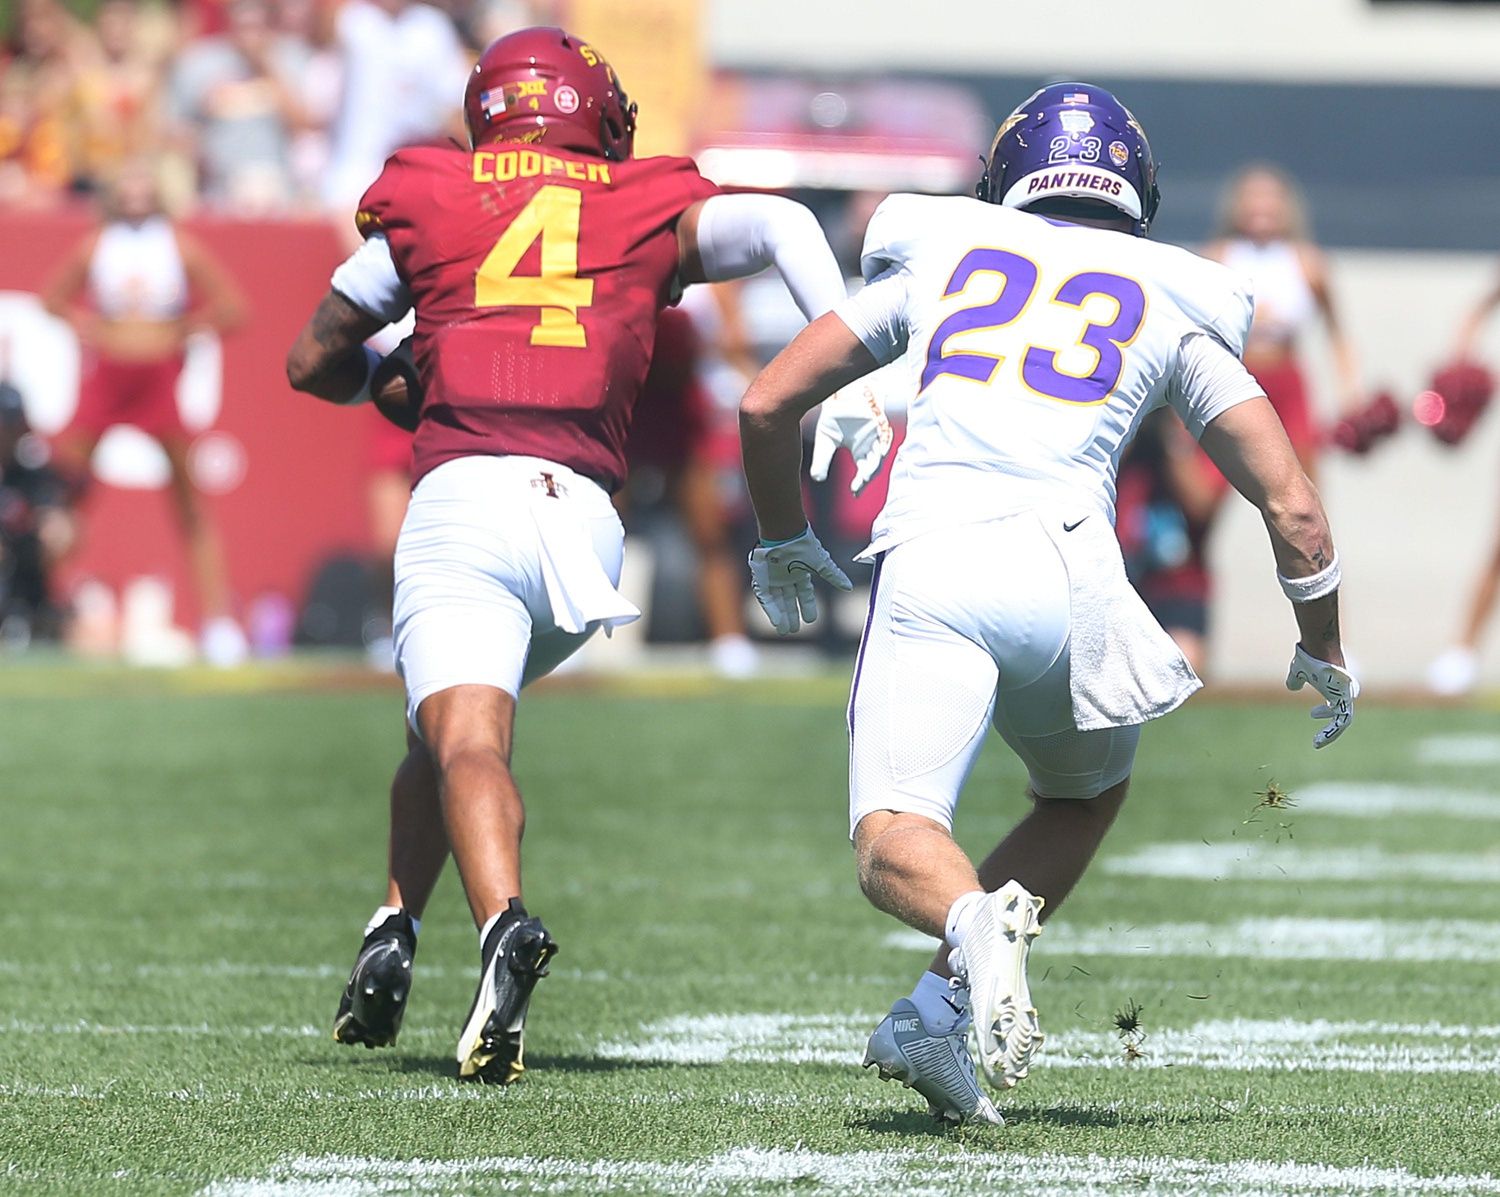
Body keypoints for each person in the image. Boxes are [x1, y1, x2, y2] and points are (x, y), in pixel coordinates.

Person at [736, 83, 1358, 1126]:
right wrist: (1325, 647)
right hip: (1073, 581)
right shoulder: (1172, 293)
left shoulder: (942, 250)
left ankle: (971, 932)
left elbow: (766, 402)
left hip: (941, 557)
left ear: (1007, 176)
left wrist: (782, 533)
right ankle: (939, 1008)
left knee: (894, 838)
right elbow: (1296, 507)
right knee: (1080, 797)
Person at [284, 26, 889, 1085]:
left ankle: (501, 927)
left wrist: (403, 376)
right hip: (581, 526)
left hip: (467, 495)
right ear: (589, 111)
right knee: (443, 733)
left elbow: (313, 359)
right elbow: (787, 222)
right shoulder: (633, 199)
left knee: (467, 736)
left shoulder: (430, 193)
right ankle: (392, 926)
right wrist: (846, 370)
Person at [42, 156, 249, 664]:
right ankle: (36, 602)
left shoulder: (176, 244)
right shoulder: (98, 244)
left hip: (158, 377)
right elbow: (53, 299)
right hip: (107, 377)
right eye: (126, 183)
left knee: (189, 499)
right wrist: (88, 326)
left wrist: (183, 330)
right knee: (64, 492)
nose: (135, 193)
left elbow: (232, 307)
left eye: (142, 182)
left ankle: (218, 623)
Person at [1206, 164, 1360, 480]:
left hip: (1287, 381)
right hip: (1231, 375)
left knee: (1304, 477)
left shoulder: (1308, 263)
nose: (1261, 206)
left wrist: (1350, 394)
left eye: (1270, 197)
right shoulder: (1216, 257)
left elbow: (1337, 334)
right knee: (1206, 483)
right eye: (1252, 196)